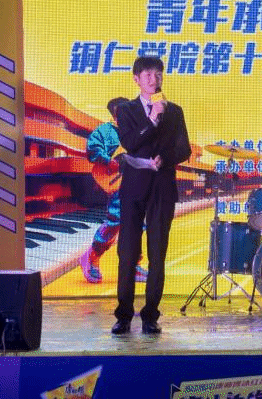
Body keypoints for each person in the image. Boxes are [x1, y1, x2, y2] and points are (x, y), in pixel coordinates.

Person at [111, 56, 191, 335]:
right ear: (136, 79)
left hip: (162, 188)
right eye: (147, 75)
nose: (153, 80)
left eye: (158, 74)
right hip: (134, 188)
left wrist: (165, 158)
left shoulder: (175, 111)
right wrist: (152, 118)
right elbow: (130, 142)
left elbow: (184, 149)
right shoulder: (126, 110)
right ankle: (123, 316)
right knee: (127, 253)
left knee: (157, 254)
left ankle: (150, 316)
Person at [79, 97, 149, 284]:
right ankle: (91, 258)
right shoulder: (105, 131)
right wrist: (108, 160)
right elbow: (92, 149)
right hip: (117, 183)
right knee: (115, 222)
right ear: (115, 115)